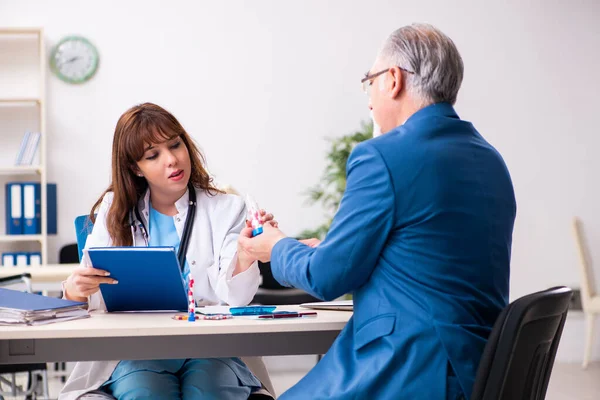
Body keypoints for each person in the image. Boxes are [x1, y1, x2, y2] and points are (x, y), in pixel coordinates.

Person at [239, 23, 517, 400]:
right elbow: (432, 261)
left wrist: (276, 247)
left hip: (409, 370)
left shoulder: (382, 156)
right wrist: (332, 247)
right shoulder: (490, 160)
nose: (368, 100)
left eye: (368, 81)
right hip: (478, 372)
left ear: (393, 80)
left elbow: (326, 278)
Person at [60, 102, 275, 400]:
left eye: (175, 145)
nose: (172, 160)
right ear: (136, 168)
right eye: (153, 155)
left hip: (210, 347)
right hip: (139, 348)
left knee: (208, 392)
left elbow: (236, 297)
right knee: (146, 393)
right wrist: (74, 290)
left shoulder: (226, 208)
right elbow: (92, 297)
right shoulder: (115, 212)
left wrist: (245, 256)